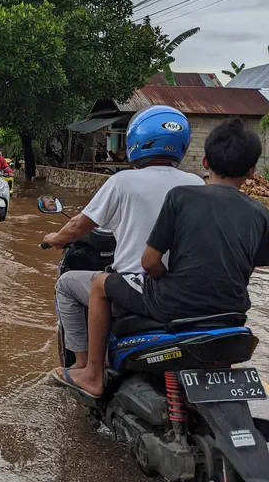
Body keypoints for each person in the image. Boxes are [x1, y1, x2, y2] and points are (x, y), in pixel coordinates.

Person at [64, 119, 269, 398]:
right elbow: (248, 268)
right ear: (252, 171)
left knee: (100, 285)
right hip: (232, 312)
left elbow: (149, 262)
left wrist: (166, 279)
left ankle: (92, 374)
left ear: (204, 161)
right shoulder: (261, 214)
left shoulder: (182, 197)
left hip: (172, 304)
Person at [47, 106, 204, 388]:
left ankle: (84, 367)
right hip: (183, 288)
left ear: (136, 141)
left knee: (67, 284)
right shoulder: (196, 183)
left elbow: (78, 226)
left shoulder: (122, 181)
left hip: (137, 285)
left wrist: (54, 239)